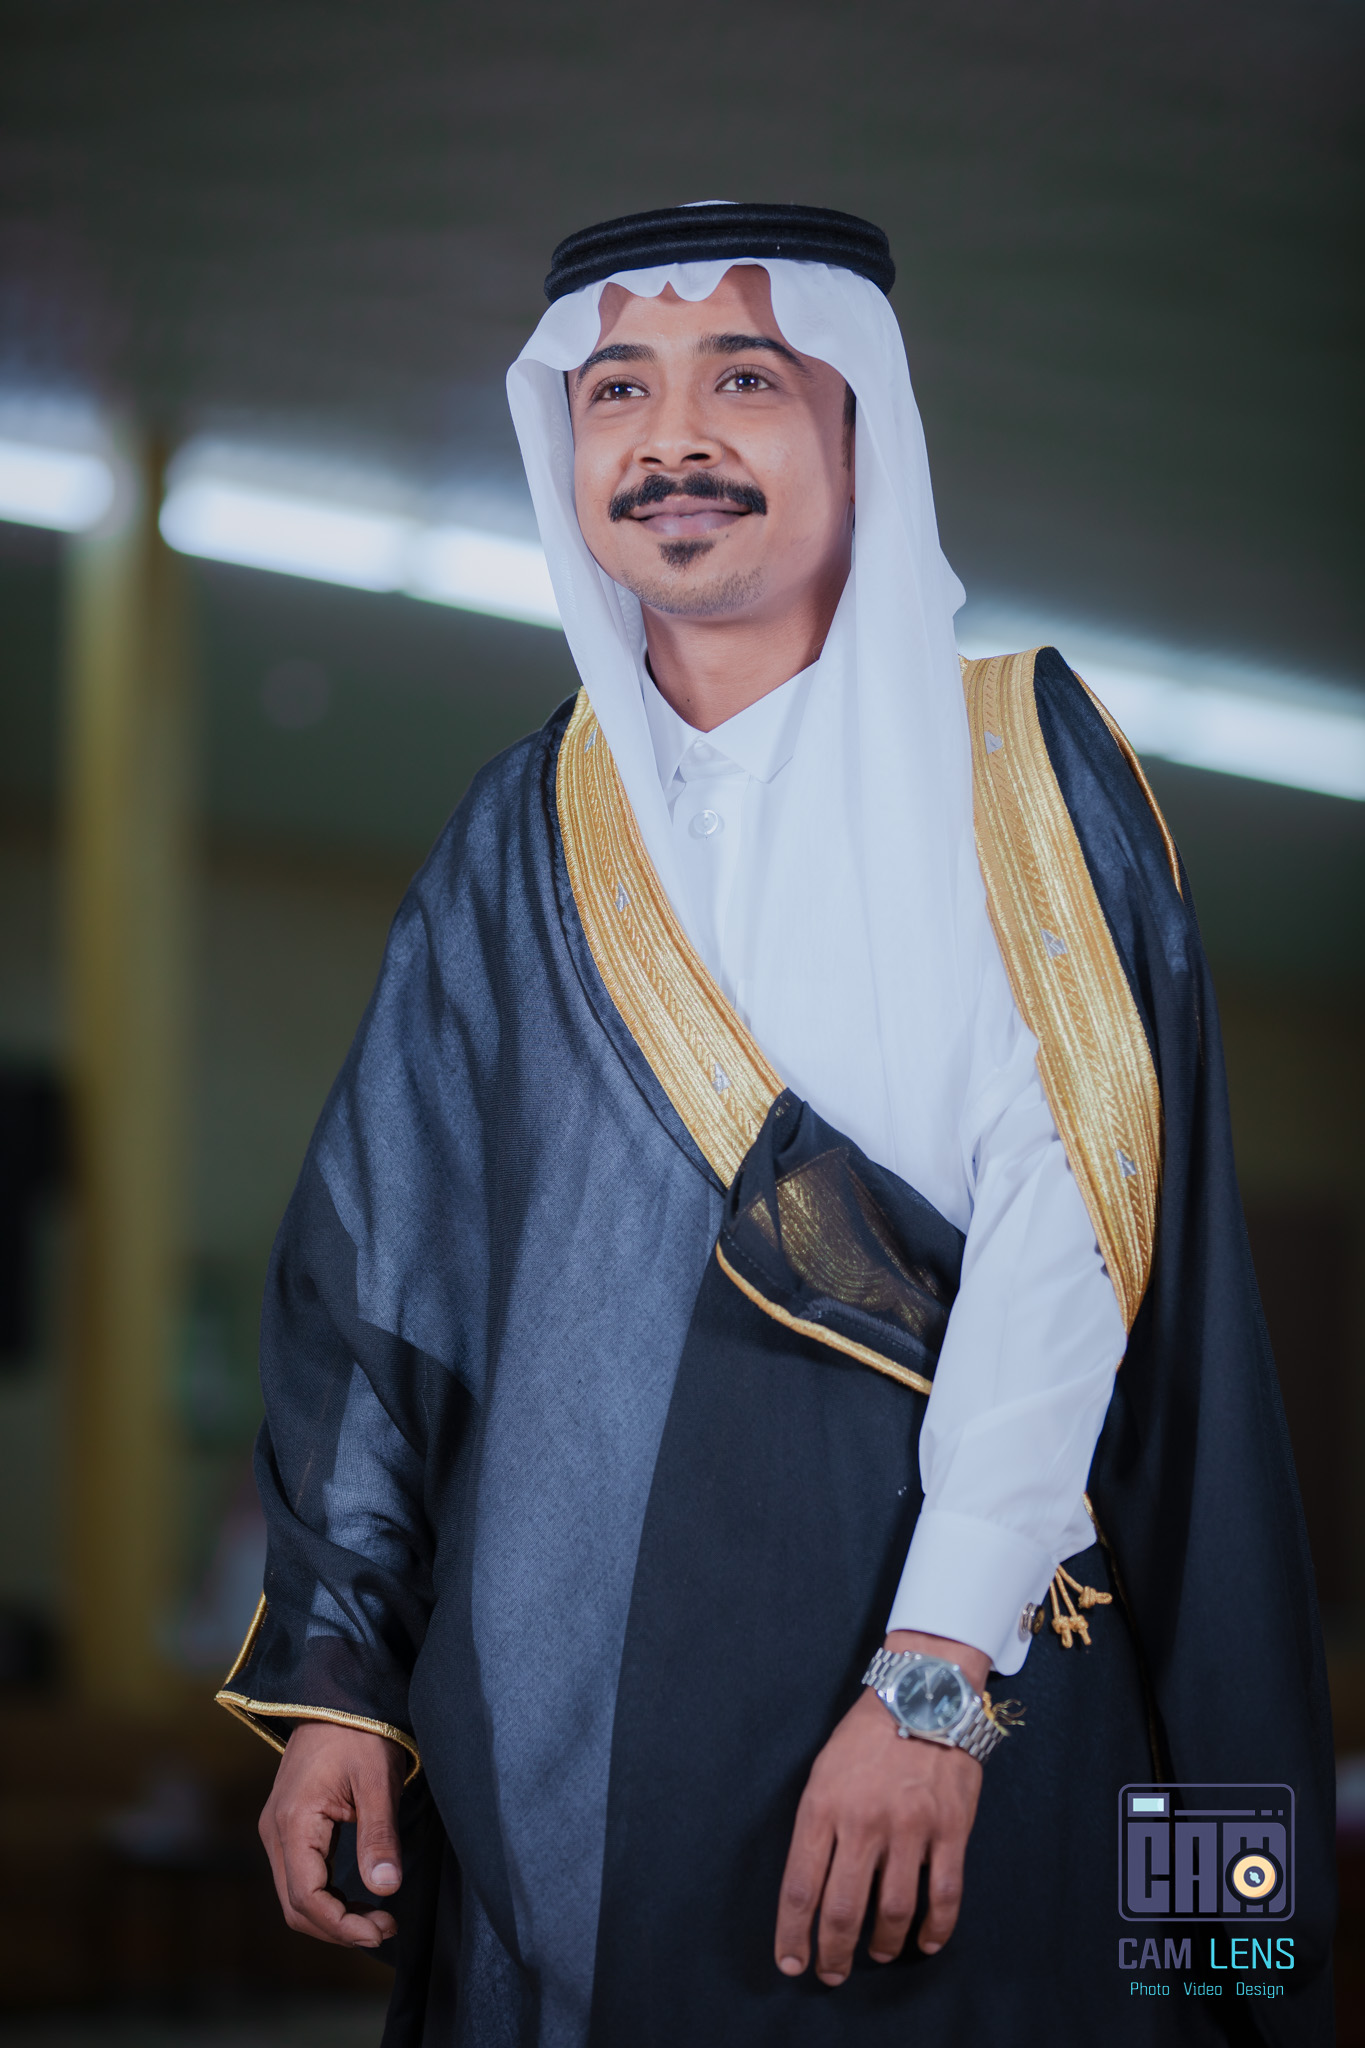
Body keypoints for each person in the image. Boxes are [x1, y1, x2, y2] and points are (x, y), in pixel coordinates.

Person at [218, 204, 1334, 2045]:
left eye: (741, 381)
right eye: (617, 392)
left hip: (969, 1720)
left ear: (854, 433)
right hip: (567, 1747)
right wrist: (341, 1678)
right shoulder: (518, 835)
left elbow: (1070, 1244)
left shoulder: (1021, 764)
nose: (670, 439)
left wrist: (931, 1685)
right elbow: (377, 1275)